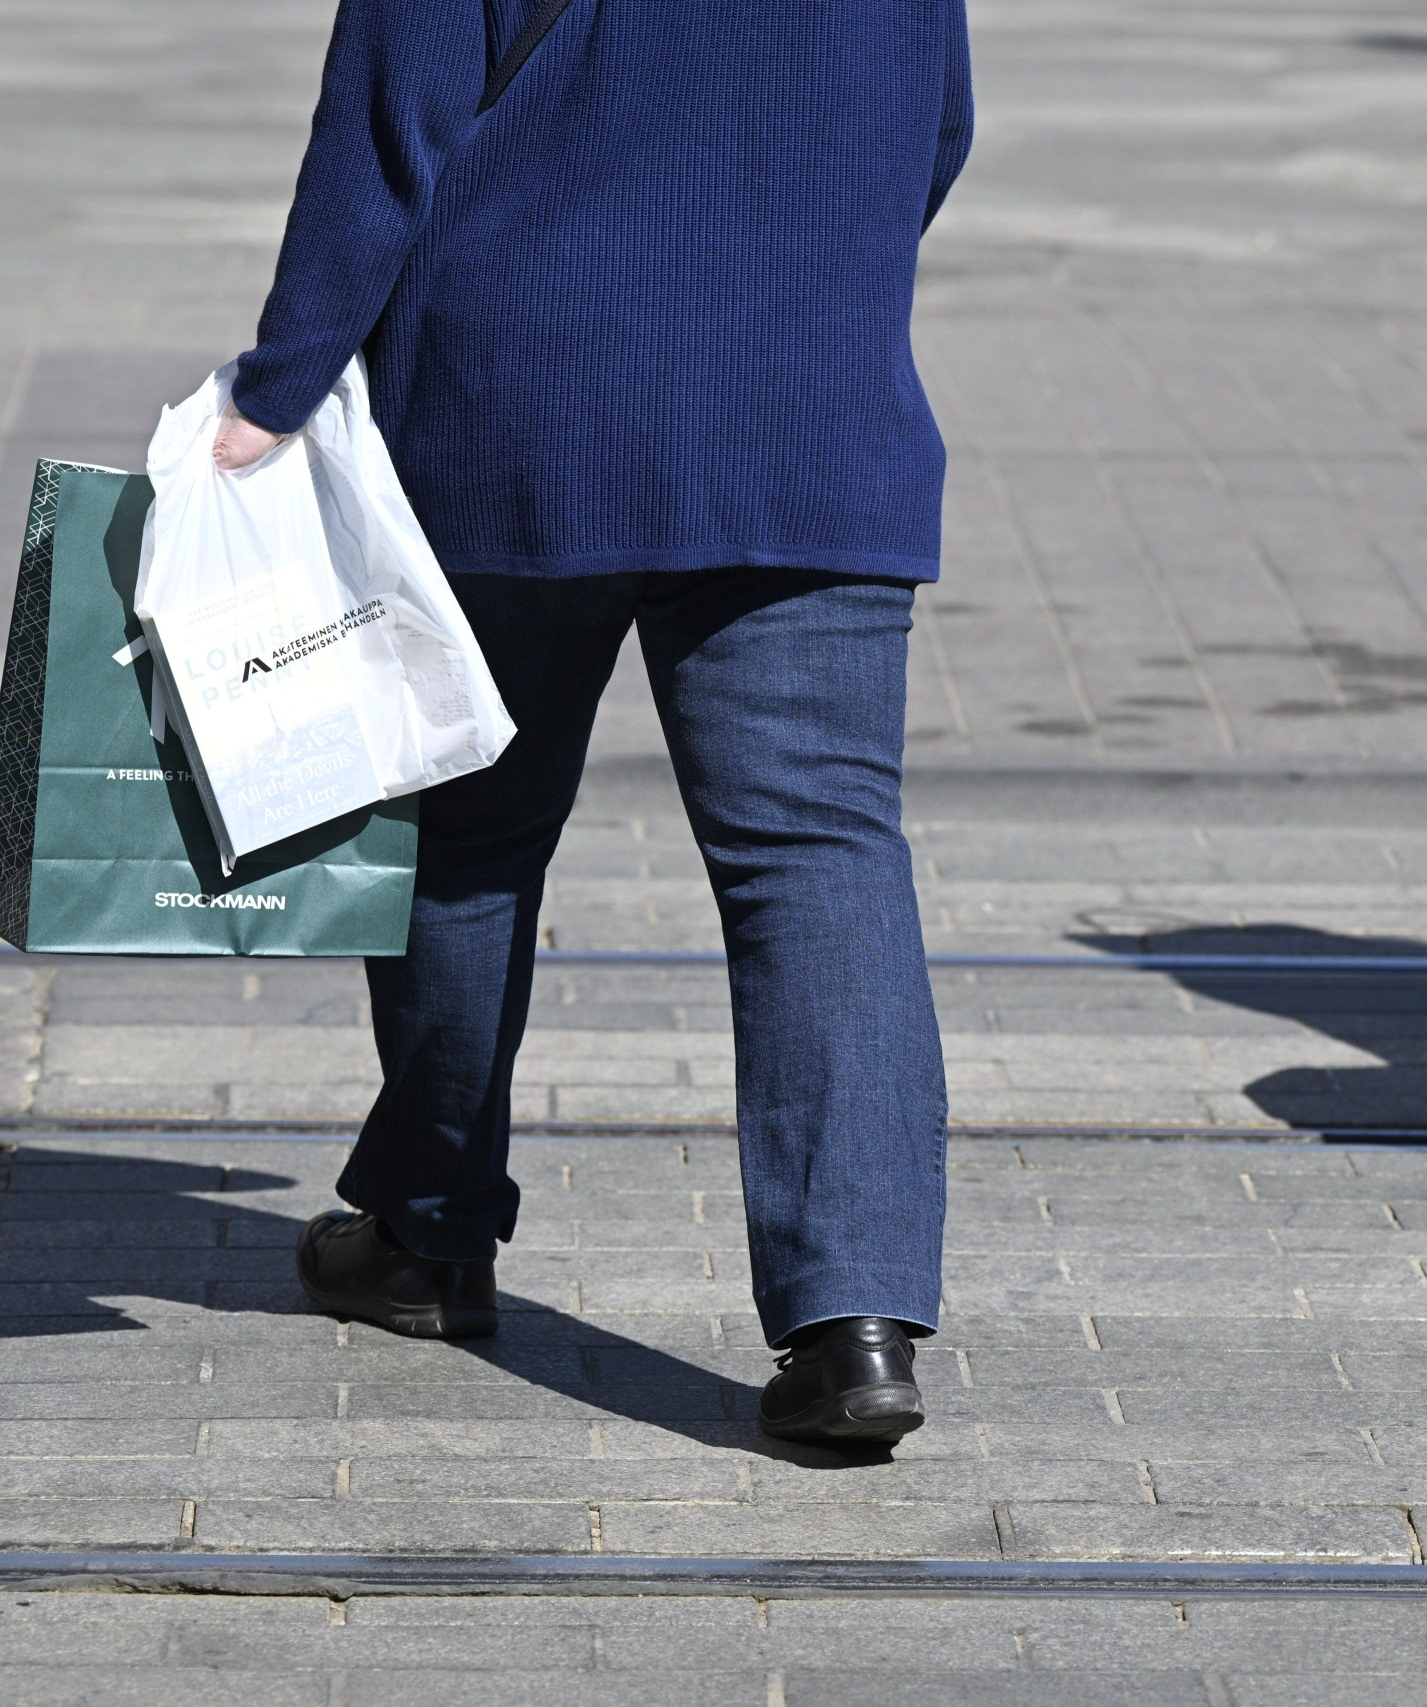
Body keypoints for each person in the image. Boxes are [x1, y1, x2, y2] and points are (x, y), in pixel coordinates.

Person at [214, 0, 974, 1444]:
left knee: (468, 831)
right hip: (812, 416)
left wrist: (280, 386)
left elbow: (385, 130)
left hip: (514, 408)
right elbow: (937, 130)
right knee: (818, 853)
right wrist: (796, 286)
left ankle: (428, 1233)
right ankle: (855, 1323)